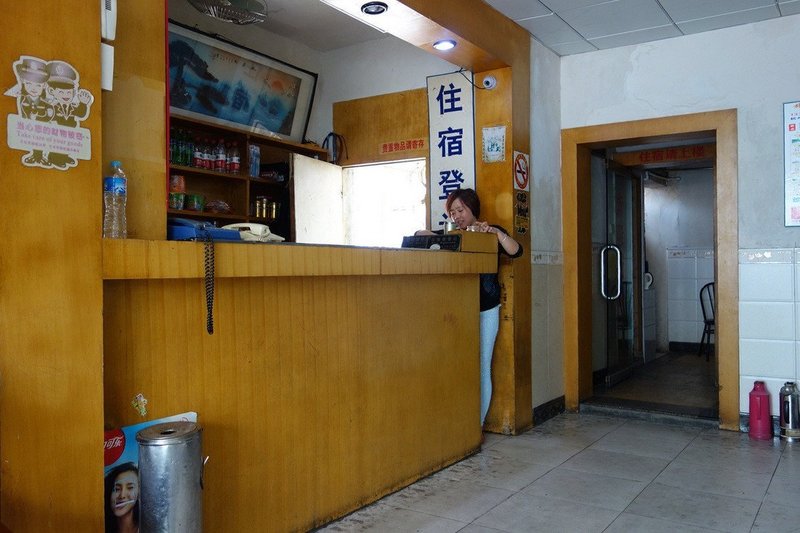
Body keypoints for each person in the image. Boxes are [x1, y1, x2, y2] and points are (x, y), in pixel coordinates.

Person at [420, 188, 522, 429]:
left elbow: (516, 251)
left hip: (487, 308)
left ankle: (477, 425)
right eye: (452, 212)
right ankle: (461, 425)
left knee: (482, 365)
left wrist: (496, 233)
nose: (457, 216)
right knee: (459, 364)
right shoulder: (452, 234)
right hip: (458, 310)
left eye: (461, 210)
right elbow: (418, 234)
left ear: (472, 209)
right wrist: (441, 236)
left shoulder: (489, 232)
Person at [104, 462, 140, 533]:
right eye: (117, 489)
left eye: (130, 487)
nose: (122, 495)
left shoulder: (148, 528)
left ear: (139, 492)